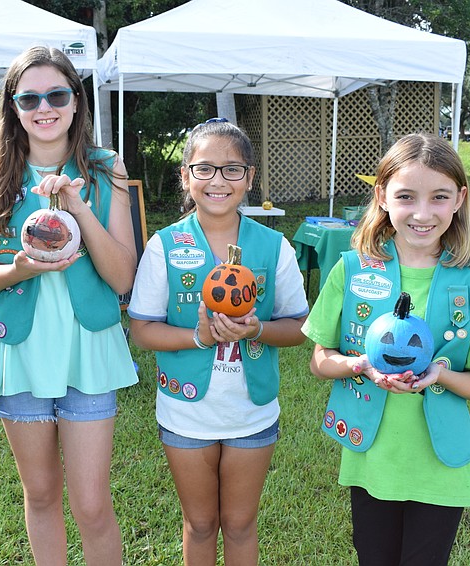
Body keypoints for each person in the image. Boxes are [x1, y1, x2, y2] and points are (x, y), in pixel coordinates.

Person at [0, 46, 138, 565]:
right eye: (29, 97)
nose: (45, 107)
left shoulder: (106, 168)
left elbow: (122, 275)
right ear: (13, 107)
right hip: (20, 348)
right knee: (39, 496)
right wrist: (18, 269)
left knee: (91, 503)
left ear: (76, 102)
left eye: (57, 94)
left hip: (87, 347)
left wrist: (78, 207)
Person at [301, 133, 470, 565]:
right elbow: (320, 360)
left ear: (459, 199)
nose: (422, 213)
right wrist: (362, 365)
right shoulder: (353, 268)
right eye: (407, 196)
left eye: (439, 197)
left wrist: (440, 374)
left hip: (440, 465)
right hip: (374, 458)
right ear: (383, 196)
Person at [127, 118, 310, 565]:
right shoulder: (165, 246)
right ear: (186, 176)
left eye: (232, 169)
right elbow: (142, 329)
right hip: (185, 410)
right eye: (204, 168)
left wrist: (258, 329)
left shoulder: (273, 247)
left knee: (242, 524)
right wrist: (198, 335)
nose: (218, 181)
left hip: (252, 412)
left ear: (249, 178)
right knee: (201, 523)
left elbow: (301, 326)